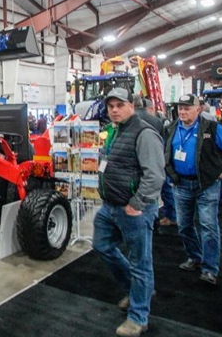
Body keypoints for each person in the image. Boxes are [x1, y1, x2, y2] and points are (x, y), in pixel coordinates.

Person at [92, 88, 165, 337]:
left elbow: (155, 175)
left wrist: (137, 203)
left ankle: (138, 317)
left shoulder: (144, 133)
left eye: (119, 105)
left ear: (131, 106)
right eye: (111, 105)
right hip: (109, 207)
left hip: (134, 210)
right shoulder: (113, 131)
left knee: (140, 263)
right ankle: (136, 290)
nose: (114, 109)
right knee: (101, 246)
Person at [165, 94, 222, 286]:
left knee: (208, 227)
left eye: (187, 108)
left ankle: (209, 269)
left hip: (206, 186)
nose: (182, 111)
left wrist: (220, 174)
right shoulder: (172, 129)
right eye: (180, 108)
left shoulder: (212, 128)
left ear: (198, 109)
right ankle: (194, 257)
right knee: (184, 225)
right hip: (181, 184)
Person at [133, 95, 174, 227]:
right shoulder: (156, 120)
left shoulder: (132, 120)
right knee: (159, 190)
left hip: (137, 163)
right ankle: (165, 217)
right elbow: (164, 140)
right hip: (159, 159)